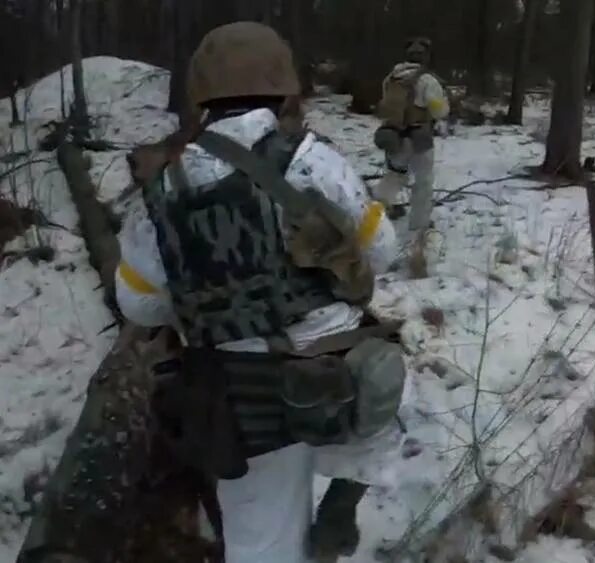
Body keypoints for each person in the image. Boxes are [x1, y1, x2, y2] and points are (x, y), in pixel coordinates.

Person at [115, 22, 403, 563]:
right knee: (380, 383)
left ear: (201, 94)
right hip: (333, 373)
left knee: (258, 542)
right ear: (283, 86)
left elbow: (137, 302)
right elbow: (382, 251)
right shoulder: (315, 159)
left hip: (238, 391)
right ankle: (344, 498)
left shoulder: (166, 178)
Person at [371, 36, 450, 278]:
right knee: (423, 183)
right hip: (419, 138)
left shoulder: (391, 77)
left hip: (395, 136)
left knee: (393, 177)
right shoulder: (426, 80)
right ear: (424, 57)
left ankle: (371, 218)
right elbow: (440, 110)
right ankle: (419, 227)